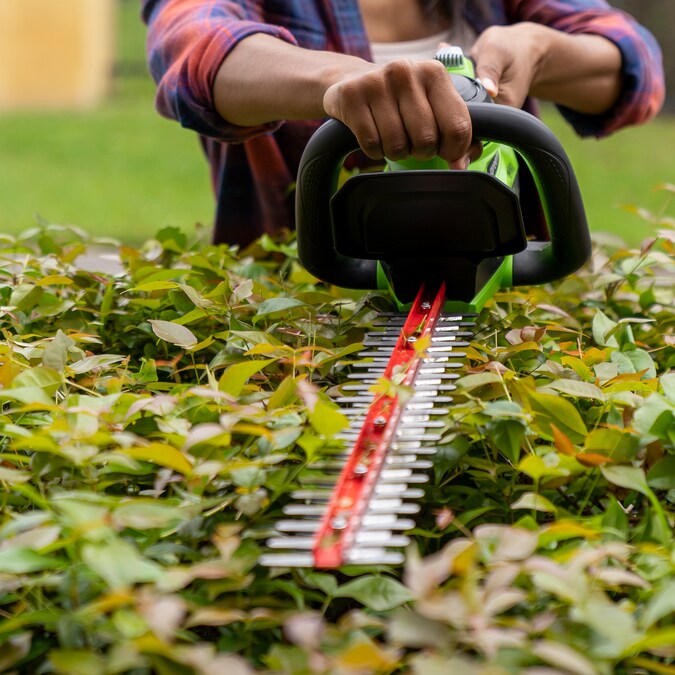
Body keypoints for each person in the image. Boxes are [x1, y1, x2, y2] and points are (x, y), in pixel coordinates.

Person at [142, 0, 664, 248]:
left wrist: (540, 48)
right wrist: (339, 80)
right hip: (297, 316)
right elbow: (191, 50)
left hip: (510, 289)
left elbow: (634, 64)